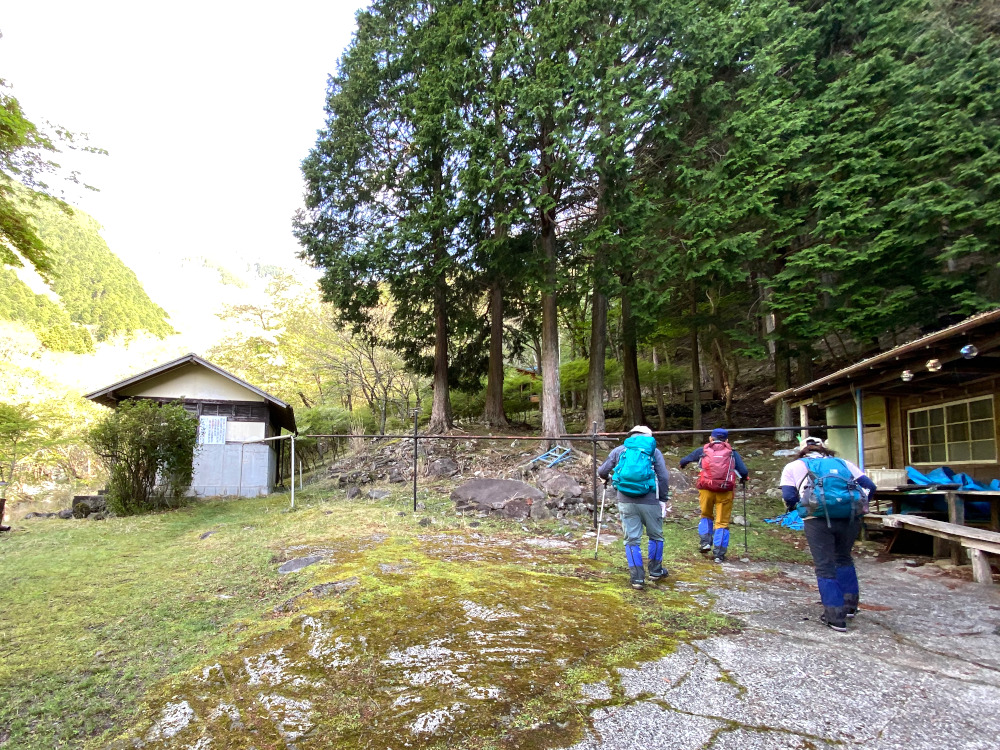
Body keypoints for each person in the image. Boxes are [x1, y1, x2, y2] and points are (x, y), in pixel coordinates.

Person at [779, 436, 877, 632]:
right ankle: (849, 606)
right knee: (844, 558)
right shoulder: (844, 463)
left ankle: (835, 615)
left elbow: (789, 496)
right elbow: (870, 487)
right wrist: (857, 506)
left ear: (802, 449)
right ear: (824, 449)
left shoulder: (794, 466)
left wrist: (798, 509)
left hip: (817, 520)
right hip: (849, 518)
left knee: (824, 565)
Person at [598, 425, 671, 590]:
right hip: (650, 500)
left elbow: (602, 471)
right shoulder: (654, 452)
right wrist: (663, 498)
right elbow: (664, 477)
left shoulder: (619, 450)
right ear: (648, 437)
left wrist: (607, 478)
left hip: (625, 500)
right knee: (656, 536)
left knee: (631, 539)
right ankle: (655, 571)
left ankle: (637, 578)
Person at [679, 428, 749, 563]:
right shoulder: (732, 453)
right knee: (722, 522)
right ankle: (719, 554)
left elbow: (684, 460)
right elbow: (744, 471)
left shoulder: (703, 451)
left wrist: (683, 464)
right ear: (727, 441)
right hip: (725, 490)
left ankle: (705, 542)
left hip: (706, 489)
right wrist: (744, 478)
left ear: (711, 439)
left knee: (706, 515)